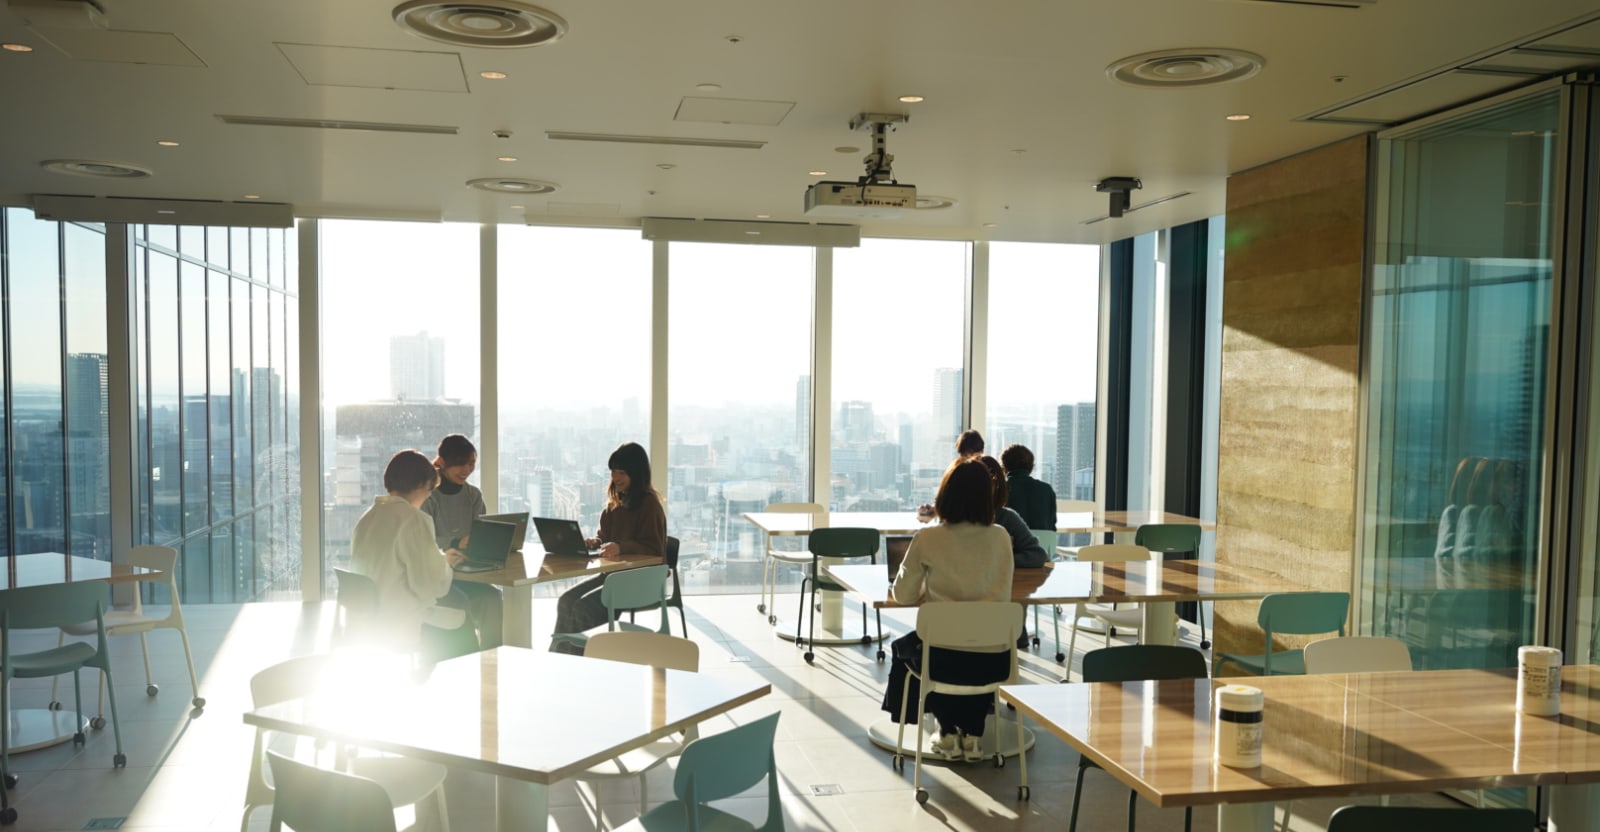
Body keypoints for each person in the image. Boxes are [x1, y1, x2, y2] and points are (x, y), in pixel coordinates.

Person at [881, 458, 1014, 763]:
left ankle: (948, 731)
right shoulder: (1002, 537)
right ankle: (972, 734)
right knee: (972, 645)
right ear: (988, 498)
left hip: (941, 661)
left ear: (945, 495)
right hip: (995, 661)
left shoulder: (928, 538)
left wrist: (929, 588)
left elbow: (903, 596)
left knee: (916, 647)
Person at [349, 449, 477, 660]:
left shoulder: (367, 518)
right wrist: (445, 564)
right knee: (461, 609)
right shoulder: (413, 519)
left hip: (368, 619)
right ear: (421, 486)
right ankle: (471, 678)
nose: (428, 496)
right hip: (402, 619)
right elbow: (431, 586)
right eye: (429, 490)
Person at [550, 442, 667, 653]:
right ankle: (560, 657)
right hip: (612, 577)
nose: (616, 477)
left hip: (637, 580)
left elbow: (655, 549)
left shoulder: (649, 504)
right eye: (613, 472)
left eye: (622, 472)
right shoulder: (615, 503)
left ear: (636, 474)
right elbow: (606, 537)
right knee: (566, 601)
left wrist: (621, 547)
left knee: (581, 609)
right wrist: (595, 542)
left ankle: (580, 659)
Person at [419, 434, 503, 649]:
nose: (466, 470)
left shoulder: (473, 495)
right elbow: (424, 539)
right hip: (440, 575)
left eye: (471, 464)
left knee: (493, 598)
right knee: (480, 599)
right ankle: (470, 655)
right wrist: (455, 541)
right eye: (460, 464)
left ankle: (492, 658)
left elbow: (480, 530)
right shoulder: (429, 497)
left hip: (469, 570)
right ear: (443, 462)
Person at [1000, 443, 1058, 532]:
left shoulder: (1000, 489)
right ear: (1031, 468)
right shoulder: (1047, 490)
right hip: (1043, 545)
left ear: (1004, 468)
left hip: (1010, 545)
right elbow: (1052, 528)